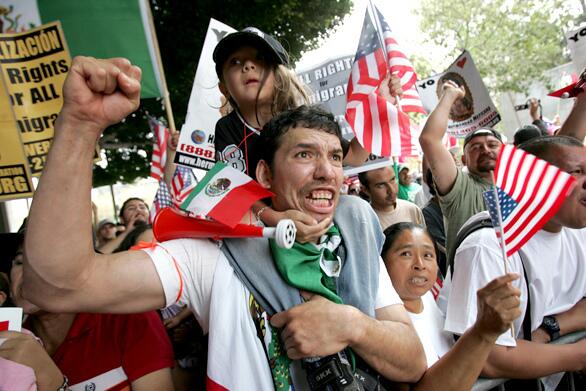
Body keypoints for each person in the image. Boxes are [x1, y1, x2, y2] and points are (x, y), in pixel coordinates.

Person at [23, 57, 426, 390]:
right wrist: (79, 126)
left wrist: (352, 325)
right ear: (265, 176)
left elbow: (412, 362)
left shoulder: (353, 231)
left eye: (336, 157)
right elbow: (60, 283)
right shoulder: (214, 255)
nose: (327, 173)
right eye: (305, 155)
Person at [443, 135, 586, 389]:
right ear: (535, 181)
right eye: (576, 172)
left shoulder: (578, 230)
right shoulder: (486, 246)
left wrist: (551, 328)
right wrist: (578, 355)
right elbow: (488, 356)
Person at [213, 27, 372, 243]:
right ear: (224, 88)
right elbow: (230, 187)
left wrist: (378, 110)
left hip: (309, 216)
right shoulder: (227, 128)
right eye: (235, 62)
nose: (248, 66)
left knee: (356, 207)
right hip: (261, 228)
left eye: (260, 59)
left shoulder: (302, 121)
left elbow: (354, 154)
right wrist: (275, 219)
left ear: (280, 75)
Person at [2, 230, 175, 390]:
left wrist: (53, 383)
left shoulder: (128, 319)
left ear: (78, 272)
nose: (28, 273)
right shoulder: (9, 340)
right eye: (19, 262)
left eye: (45, 261)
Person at [381, 222, 521, 391]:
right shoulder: (385, 324)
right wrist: (483, 329)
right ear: (382, 262)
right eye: (406, 254)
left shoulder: (427, 298)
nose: (420, 265)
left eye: (427, 255)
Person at [419, 80, 503, 258]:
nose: (485, 150)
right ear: (464, 160)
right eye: (476, 147)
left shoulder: (522, 185)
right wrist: (450, 95)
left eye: (492, 145)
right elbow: (429, 139)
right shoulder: (459, 188)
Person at [358, 165, 425, 230]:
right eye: (381, 185)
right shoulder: (364, 223)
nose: (391, 190)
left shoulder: (413, 210)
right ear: (365, 190)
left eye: (393, 180)